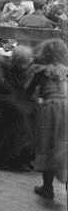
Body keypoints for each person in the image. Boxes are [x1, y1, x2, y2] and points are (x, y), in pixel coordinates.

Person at [27, 39, 68, 200]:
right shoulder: (66, 70)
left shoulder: (41, 71)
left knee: (47, 144)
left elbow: (28, 89)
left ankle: (47, 187)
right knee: (63, 144)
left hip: (49, 108)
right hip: (66, 107)